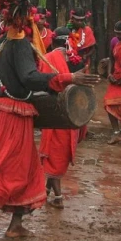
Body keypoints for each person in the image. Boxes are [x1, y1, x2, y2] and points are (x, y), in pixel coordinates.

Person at [0, 0, 100, 238]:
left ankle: (15, 225)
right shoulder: (19, 45)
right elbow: (30, 77)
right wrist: (67, 79)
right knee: (13, 170)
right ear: (24, 20)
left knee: (16, 168)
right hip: (15, 117)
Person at [38, 27, 80, 209]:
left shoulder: (47, 59)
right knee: (59, 155)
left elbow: (42, 86)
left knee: (53, 158)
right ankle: (46, 191)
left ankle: (58, 197)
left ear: (53, 42)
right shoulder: (76, 61)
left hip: (55, 114)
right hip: (74, 114)